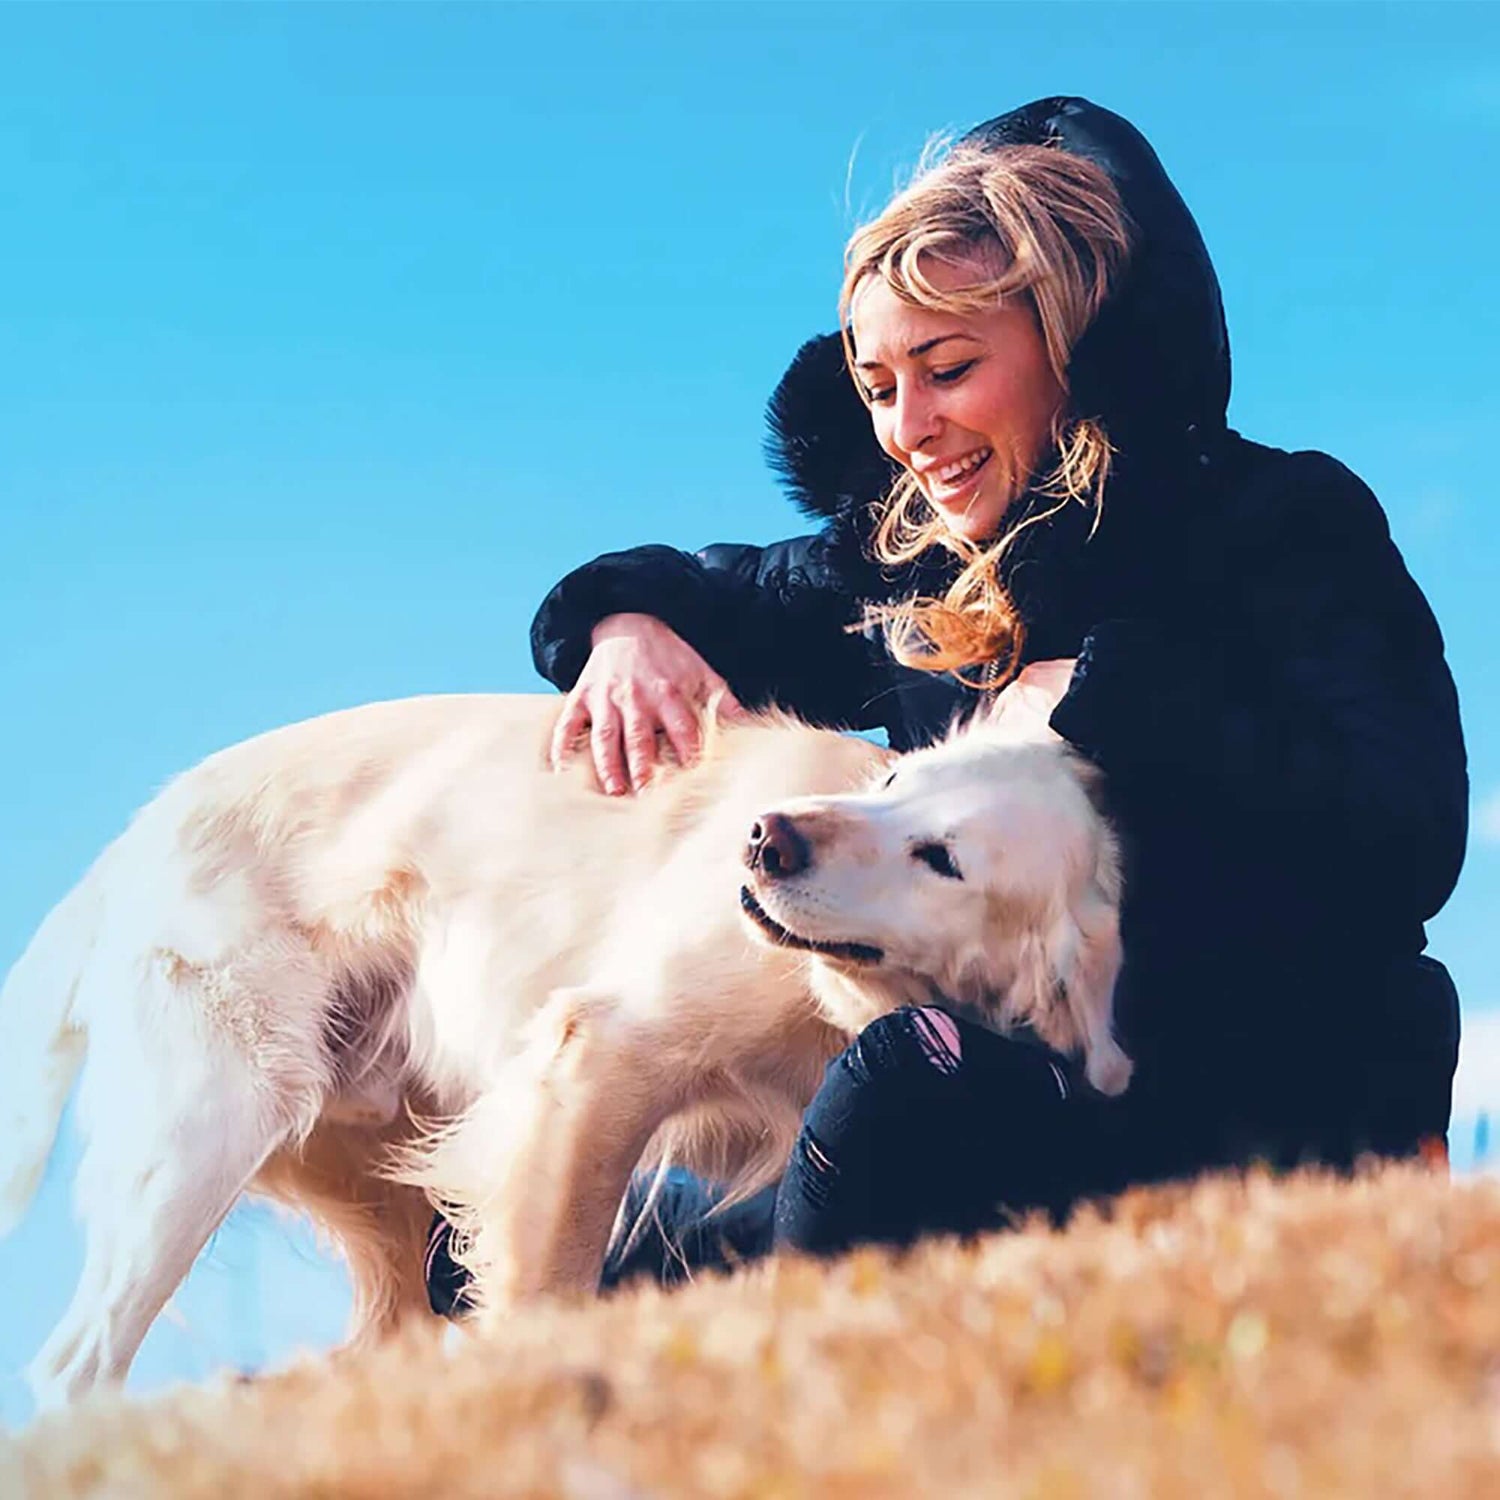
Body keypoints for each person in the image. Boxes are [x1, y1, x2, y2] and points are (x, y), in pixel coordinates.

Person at [426, 96, 1466, 1314]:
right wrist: (618, 626)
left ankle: (803, 1400)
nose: (909, 431)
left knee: (894, 1082)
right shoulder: (917, 571)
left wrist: (1114, 697)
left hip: (1272, 1078)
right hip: (1019, 1098)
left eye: (950, 369)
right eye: (877, 386)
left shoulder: (1283, 523)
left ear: (1076, 343)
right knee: (495, 1266)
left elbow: (1408, 836)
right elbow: (731, 592)